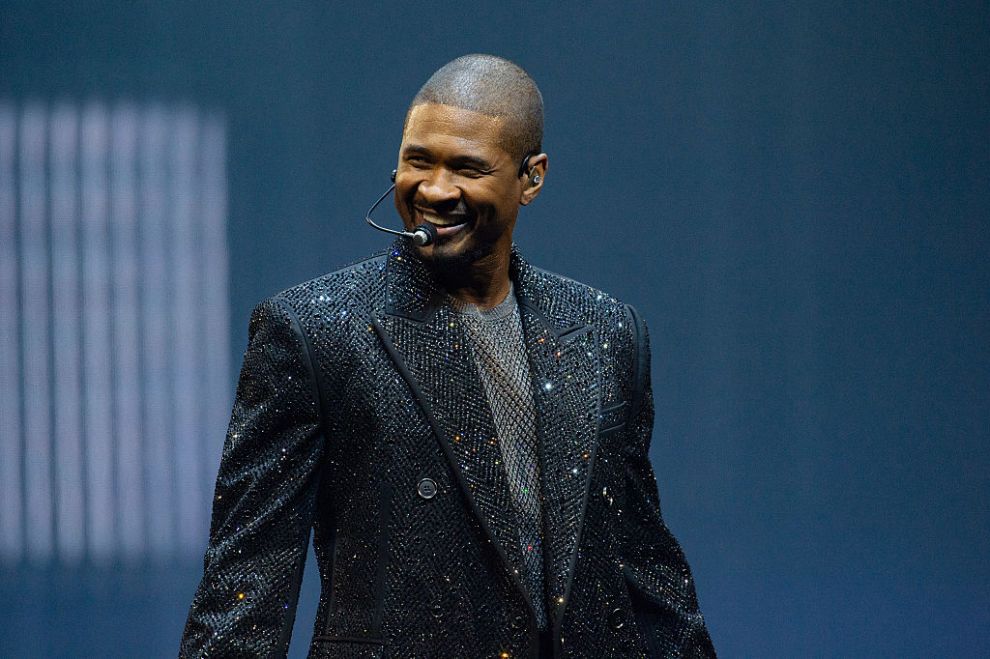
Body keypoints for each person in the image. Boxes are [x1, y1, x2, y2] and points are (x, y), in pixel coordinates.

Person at [180, 54, 715, 658]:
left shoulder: (605, 333)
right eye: (418, 161)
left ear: (531, 178)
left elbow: (646, 570)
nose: (434, 189)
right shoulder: (315, 332)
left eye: (467, 167)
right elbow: (245, 586)